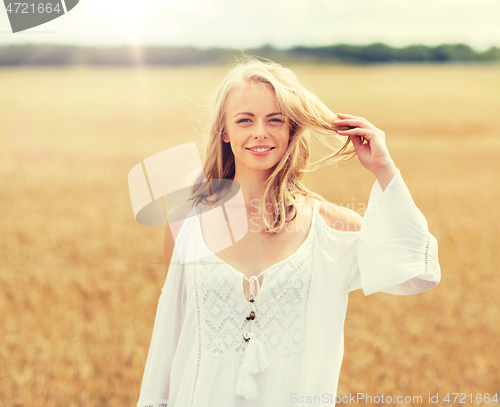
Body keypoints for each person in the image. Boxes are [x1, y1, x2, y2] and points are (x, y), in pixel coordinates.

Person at [136, 56, 441, 407]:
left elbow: (419, 272)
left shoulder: (331, 228)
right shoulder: (184, 225)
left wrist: (384, 169)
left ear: (292, 129)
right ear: (225, 131)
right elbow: (169, 340)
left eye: (275, 120)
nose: (260, 132)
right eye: (245, 120)